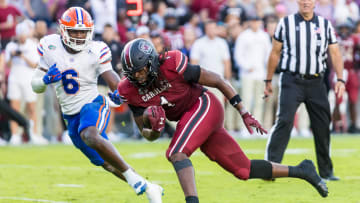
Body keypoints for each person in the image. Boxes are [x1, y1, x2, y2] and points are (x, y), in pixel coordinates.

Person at [112, 38, 328, 203]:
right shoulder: (128, 90)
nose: (138, 77)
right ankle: (303, 170)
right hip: (192, 121)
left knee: (176, 153)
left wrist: (243, 111)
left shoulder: (172, 63)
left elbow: (217, 79)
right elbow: (146, 134)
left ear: (151, 63)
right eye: (133, 73)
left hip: (203, 105)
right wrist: (156, 130)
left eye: (141, 71)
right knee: (243, 170)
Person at [30, 7, 163, 202]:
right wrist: (44, 81)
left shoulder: (96, 49)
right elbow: (36, 86)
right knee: (106, 164)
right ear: (63, 30)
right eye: (74, 31)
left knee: (90, 134)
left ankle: (137, 183)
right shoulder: (49, 45)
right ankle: (150, 187)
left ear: (90, 31)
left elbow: (111, 77)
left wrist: (119, 92)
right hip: (71, 115)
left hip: (93, 104)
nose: (78, 36)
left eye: (82, 32)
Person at [263, 0, 346, 181]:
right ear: (298, 2)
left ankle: (326, 171)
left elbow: (335, 52)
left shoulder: (325, 24)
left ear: (315, 2)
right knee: (284, 121)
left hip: (316, 81)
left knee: (323, 125)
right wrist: (268, 80)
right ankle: (271, 168)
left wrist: (340, 78)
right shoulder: (286, 23)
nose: (306, 2)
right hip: (292, 80)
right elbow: (275, 52)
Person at [5, 21, 47, 145]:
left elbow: (35, 64)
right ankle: (15, 135)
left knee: (31, 107)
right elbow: (8, 65)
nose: (21, 36)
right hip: (14, 78)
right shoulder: (11, 46)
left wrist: (23, 57)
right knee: (14, 107)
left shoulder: (32, 45)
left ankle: (34, 134)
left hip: (28, 78)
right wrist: (13, 56)